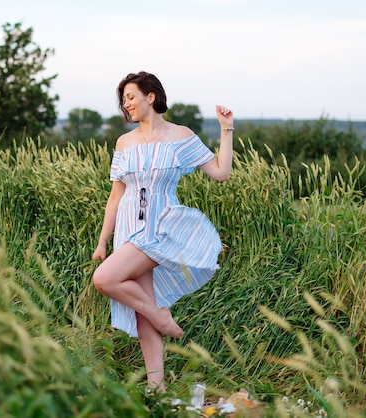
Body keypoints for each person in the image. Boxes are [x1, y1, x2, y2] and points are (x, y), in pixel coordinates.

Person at [91, 71, 233, 392]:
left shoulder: (180, 136)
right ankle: (158, 389)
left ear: (150, 97)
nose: (125, 104)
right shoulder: (124, 143)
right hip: (128, 229)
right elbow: (116, 195)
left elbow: (221, 172)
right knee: (143, 306)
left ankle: (162, 318)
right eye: (123, 100)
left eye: (130, 97)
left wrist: (226, 129)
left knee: (105, 279)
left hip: (161, 228)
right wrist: (103, 240)